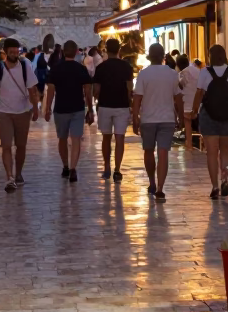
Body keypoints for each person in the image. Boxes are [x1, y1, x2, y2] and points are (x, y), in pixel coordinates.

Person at [186, 44, 228, 199]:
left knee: (211, 153)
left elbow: (199, 93)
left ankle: (214, 187)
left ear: (210, 56)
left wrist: (193, 111)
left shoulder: (205, 72)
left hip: (208, 116)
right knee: (225, 151)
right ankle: (224, 180)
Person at [132, 43, 183, 201]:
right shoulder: (172, 74)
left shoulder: (143, 74)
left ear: (149, 57)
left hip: (148, 119)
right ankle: (160, 188)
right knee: (163, 153)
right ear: (163, 57)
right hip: (167, 118)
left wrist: (135, 118)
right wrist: (181, 116)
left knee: (148, 151)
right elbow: (178, 98)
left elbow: (137, 98)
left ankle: (152, 182)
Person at [0, 38, 39, 192]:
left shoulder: (26, 67)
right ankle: (10, 177)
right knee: (6, 146)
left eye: (16, 52)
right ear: (5, 52)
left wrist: (35, 108)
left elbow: (32, 89)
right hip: (4, 112)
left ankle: (19, 174)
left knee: (21, 146)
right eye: (11, 52)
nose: (14, 54)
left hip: (23, 112)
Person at [43, 39, 94, 182]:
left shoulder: (56, 69)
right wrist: (90, 109)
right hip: (77, 108)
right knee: (76, 139)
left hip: (61, 108)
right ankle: (73, 168)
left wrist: (47, 108)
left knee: (62, 139)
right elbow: (87, 91)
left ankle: (65, 166)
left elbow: (51, 90)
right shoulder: (81, 69)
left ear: (63, 52)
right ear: (77, 51)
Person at [93, 38, 133, 182]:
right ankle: (117, 169)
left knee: (106, 137)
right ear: (119, 50)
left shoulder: (101, 68)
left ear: (106, 50)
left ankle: (106, 167)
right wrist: (129, 102)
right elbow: (130, 88)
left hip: (105, 105)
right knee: (120, 138)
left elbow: (96, 91)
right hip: (122, 105)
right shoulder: (126, 67)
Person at [176, 55, 200, 138]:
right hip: (198, 101)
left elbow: (181, 85)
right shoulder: (197, 70)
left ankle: (189, 142)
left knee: (187, 123)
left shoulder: (183, 73)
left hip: (188, 102)